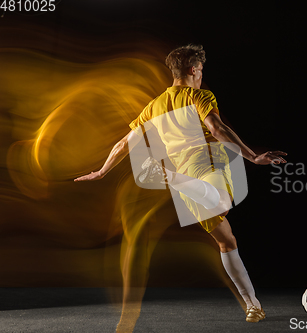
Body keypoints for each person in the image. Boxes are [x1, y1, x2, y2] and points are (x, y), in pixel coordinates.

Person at [74, 44, 287, 325]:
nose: (201, 75)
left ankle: (253, 306)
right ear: (193, 70)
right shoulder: (198, 95)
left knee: (226, 240)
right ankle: (169, 177)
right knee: (222, 202)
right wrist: (253, 156)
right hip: (205, 167)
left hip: (187, 185)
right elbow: (217, 129)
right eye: (200, 71)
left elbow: (126, 142)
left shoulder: (154, 106)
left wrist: (102, 171)